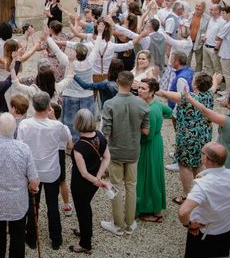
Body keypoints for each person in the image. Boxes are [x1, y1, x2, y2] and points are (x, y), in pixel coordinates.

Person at [0, 113, 39, 258]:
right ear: (15, 129)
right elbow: (34, 180)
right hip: (17, 203)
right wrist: (32, 187)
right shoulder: (23, 149)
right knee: (18, 237)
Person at [18, 91, 71, 250]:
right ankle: (56, 239)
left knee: (33, 205)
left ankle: (32, 238)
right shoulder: (57, 125)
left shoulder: (24, 124)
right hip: (51, 171)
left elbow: (21, 148)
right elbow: (68, 142)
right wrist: (54, 119)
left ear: (33, 106)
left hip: (33, 171)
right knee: (52, 204)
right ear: (49, 107)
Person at [100, 71, 149, 236]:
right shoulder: (141, 103)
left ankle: (117, 224)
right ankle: (129, 223)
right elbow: (146, 130)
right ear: (132, 83)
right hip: (133, 150)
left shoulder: (109, 104)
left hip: (116, 151)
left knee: (115, 186)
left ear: (116, 82)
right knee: (131, 186)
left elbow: (105, 132)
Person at [157, 72, 214, 204]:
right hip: (204, 134)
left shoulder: (187, 97)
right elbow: (214, 86)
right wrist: (215, 79)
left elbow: (164, 94)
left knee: (185, 165)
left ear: (195, 84)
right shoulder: (209, 94)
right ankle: (201, 193)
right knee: (200, 162)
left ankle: (187, 195)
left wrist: (152, 88)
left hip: (188, 137)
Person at [179, 143, 230, 257]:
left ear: (206, 159)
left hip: (204, 234)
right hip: (226, 231)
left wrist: (188, 224)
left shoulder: (203, 184)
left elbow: (183, 211)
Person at [69, 109, 110, 254]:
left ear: (78, 123)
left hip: (81, 184)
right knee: (86, 207)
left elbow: (83, 173)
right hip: (94, 182)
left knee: (83, 211)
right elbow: (107, 157)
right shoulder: (100, 136)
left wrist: (96, 180)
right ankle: (86, 232)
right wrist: (98, 177)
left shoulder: (78, 147)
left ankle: (85, 243)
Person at [136, 78, 172, 222]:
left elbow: (147, 136)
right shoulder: (156, 103)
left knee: (146, 176)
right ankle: (157, 208)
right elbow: (169, 111)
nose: (139, 90)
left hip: (148, 145)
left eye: (143, 88)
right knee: (155, 175)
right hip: (157, 142)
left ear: (152, 92)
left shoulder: (149, 111)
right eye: (139, 87)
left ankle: (146, 210)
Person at [203, 4, 224, 79]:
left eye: (212, 10)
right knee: (208, 66)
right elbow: (208, 31)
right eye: (210, 9)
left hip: (214, 49)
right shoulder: (211, 19)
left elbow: (221, 36)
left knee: (217, 68)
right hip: (206, 46)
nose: (210, 11)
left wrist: (216, 48)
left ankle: (217, 85)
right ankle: (209, 83)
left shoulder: (222, 22)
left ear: (218, 11)